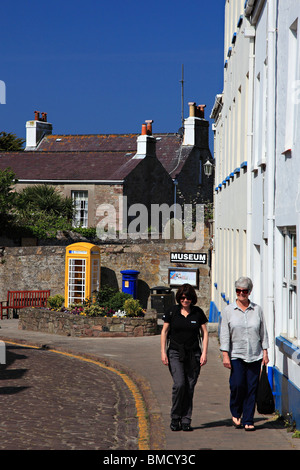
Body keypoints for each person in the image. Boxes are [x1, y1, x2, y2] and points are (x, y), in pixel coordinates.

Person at [220, 276, 269, 431]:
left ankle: (248, 419)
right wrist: (225, 355)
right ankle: (236, 411)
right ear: (236, 291)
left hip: (255, 354)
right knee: (237, 385)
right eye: (238, 290)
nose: (241, 293)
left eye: (244, 291)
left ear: (250, 291)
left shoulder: (257, 310)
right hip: (236, 355)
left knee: (251, 388)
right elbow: (224, 334)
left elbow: (263, 332)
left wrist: (265, 352)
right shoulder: (228, 311)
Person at [161, 283, 208, 432]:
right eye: (182, 297)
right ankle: (175, 418)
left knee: (189, 387)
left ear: (192, 298)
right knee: (180, 384)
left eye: (187, 297)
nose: (185, 300)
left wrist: (204, 353)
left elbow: (205, 333)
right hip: (175, 352)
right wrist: (163, 352)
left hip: (193, 354)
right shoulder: (172, 312)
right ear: (179, 298)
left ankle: (186, 420)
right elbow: (164, 332)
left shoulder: (198, 313)